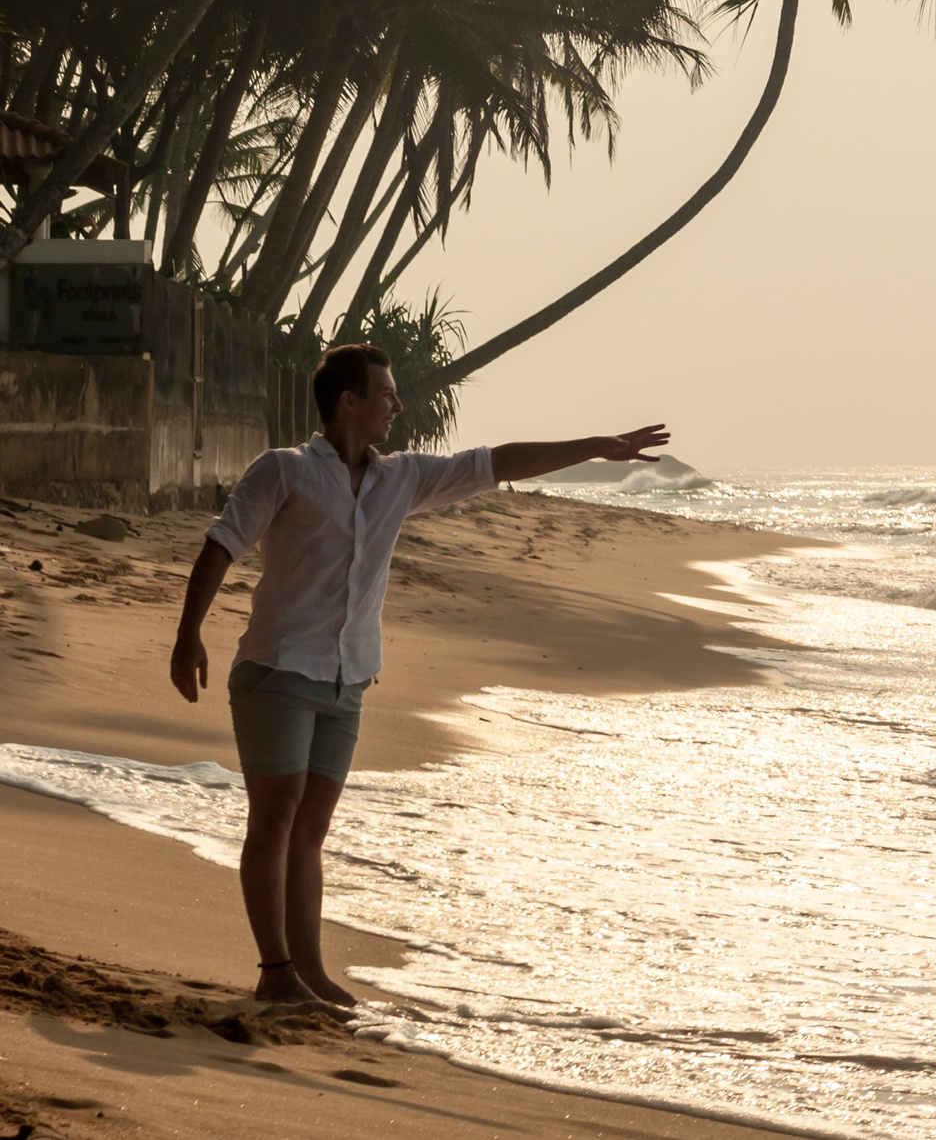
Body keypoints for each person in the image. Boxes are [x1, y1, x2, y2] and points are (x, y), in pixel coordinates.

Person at [167, 342, 669, 1007]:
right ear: (349, 402)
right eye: (387, 395)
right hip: (280, 669)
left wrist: (597, 445)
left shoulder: (399, 478)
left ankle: (306, 970)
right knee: (275, 821)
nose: (397, 408)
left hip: (348, 681)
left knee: (311, 831)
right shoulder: (283, 471)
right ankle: (275, 969)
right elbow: (221, 542)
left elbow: (496, 463)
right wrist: (187, 634)